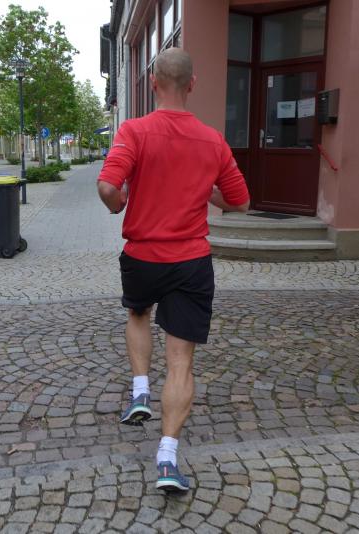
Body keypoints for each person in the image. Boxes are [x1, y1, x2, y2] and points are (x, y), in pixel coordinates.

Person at [97, 47, 250, 492]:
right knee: (181, 360)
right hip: (190, 262)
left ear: (153, 83)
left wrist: (119, 204)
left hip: (143, 256)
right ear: (192, 84)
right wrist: (208, 193)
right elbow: (240, 201)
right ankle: (167, 459)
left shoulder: (134, 130)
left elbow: (107, 185)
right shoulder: (213, 140)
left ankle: (140, 390)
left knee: (138, 313)